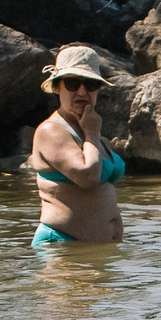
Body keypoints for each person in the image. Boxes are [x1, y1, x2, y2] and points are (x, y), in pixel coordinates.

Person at [29, 45, 125, 245]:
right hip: (63, 246)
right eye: (72, 83)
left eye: (90, 84)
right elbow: (88, 176)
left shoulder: (88, 126)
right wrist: (92, 133)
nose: (82, 91)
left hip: (93, 252)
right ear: (57, 87)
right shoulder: (51, 131)